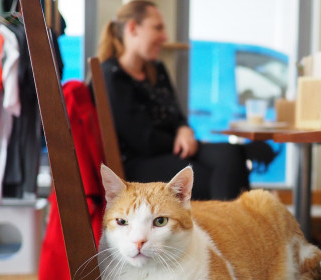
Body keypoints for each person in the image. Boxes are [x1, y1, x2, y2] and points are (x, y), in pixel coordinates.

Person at [97, 0, 250, 200]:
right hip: (140, 161)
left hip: (174, 149)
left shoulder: (157, 70)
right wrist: (180, 141)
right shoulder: (111, 76)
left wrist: (184, 129)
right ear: (133, 28)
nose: (165, 36)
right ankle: (228, 226)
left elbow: (177, 115)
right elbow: (143, 140)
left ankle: (240, 225)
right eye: (157, 28)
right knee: (210, 177)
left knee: (233, 153)